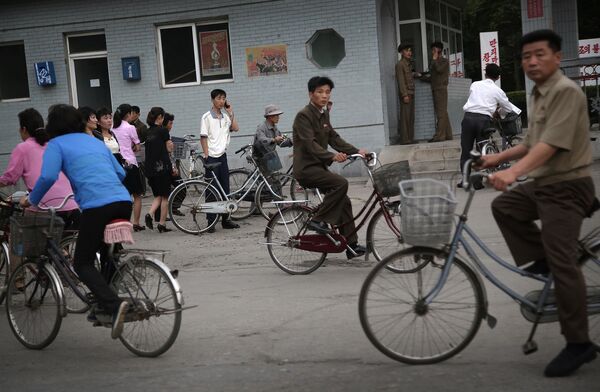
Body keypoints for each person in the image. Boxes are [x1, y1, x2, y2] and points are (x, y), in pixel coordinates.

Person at [479, 30, 597, 377]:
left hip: (567, 187)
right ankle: (546, 262)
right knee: (505, 207)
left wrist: (513, 173)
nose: (531, 61)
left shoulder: (565, 92)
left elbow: (552, 146)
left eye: (539, 54)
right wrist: (495, 159)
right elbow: (532, 142)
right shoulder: (541, 94)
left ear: (557, 57)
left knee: (564, 264)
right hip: (545, 185)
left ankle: (579, 343)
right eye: (526, 56)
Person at [20, 104, 130, 340]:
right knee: (106, 253)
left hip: (97, 206)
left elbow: (48, 176)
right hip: (123, 200)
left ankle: (113, 304)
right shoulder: (93, 141)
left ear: (53, 125)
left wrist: (31, 200)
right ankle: (106, 304)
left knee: (82, 263)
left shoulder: (56, 145)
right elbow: (121, 173)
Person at [292, 76, 368, 259]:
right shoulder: (304, 115)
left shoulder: (323, 114)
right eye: (320, 92)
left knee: (345, 201)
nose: (324, 96)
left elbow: (334, 138)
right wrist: (332, 156)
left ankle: (351, 245)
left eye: (327, 92)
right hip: (306, 168)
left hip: (318, 167)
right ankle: (317, 220)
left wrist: (358, 151)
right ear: (311, 94)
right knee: (340, 183)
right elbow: (310, 144)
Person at [459, 63, 521, 178]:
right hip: (483, 120)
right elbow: (508, 108)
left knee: (466, 150)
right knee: (481, 150)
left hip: (468, 118)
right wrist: (499, 112)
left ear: (485, 73)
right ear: (498, 77)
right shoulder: (498, 91)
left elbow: (473, 98)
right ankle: (478, 181)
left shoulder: (475, 84)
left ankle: (464, 180)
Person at [200, 89, 240, 233]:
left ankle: (225, 219)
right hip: (211, 156)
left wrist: (230, 112)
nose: (222, 101)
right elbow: (203, 137)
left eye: (224, 98)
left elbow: (235, 128)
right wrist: (206, 155)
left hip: (222, 156)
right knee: (211, 189)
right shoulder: (206, 117)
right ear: (212, 100)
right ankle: (211, 222)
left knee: (225, 188)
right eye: (219, 98)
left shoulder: (225, 116)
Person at [111, 103, 144, 232]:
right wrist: (133, 148)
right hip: (130, 164)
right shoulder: (130, 128)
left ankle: (121, 223)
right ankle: (135, 223)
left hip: (116, 164)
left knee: (121, 196)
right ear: (128, 114)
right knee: (137, 195)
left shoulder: (112, 128)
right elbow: (138, 146)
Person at [144, 107, 173, 233]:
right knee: (165, 197)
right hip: (162, 168)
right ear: (160, 117)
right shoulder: (163, 131)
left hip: (150, 169)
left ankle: (149, 214)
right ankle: (162, 224)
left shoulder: (148, 132)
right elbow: (169, 149)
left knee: (158, 196)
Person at [425, 41, 453, 142]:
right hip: (435, 88)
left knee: (440, 113)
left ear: (439, 50)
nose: (432, 52)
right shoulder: (434, 61)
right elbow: (433, 75)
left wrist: (434, 59)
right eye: (432, 50)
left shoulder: (444, 61)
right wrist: (421, 77)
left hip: (441, 89)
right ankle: (448, 135)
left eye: (434, 50)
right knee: (443, 112)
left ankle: (439, 136)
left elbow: (439, 70)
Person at [395, 43, 417, 145]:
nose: (409, 53)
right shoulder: (400, 65)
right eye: (407, 51)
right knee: (405, 118)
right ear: (402, 52)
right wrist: (404, 95)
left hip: (411, 93)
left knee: (411, 117)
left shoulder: (408, 64)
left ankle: (410, 138)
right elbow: (401, 81)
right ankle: (405, 139)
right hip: (406, 94)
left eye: (410, 50)